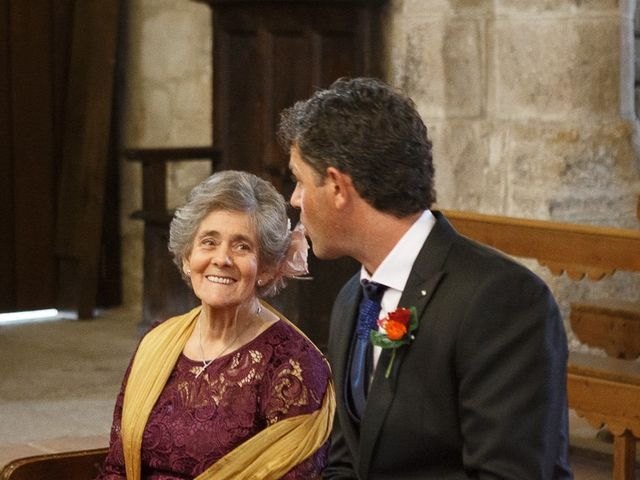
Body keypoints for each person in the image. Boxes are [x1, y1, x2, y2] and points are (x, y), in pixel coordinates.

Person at [278, 77, 572, 479]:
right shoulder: (352, 298)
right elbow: (348, 462)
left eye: (299, 180)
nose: (295, 199)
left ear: (336, 186)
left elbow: (509, 473)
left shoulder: (501, 300)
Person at [97, 170, 335, 480]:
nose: (222, 259)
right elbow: (117, 467)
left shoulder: (293, 365)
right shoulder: (156, 342)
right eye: (209, 242)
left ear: (266, 267)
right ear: (187, 257)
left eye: (241, 246)